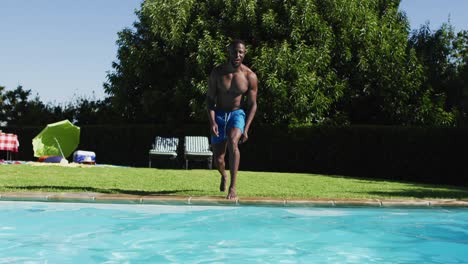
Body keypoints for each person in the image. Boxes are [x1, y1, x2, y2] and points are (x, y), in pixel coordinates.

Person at [206, 39, 258, 200]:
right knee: (218, 159)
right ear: (229, 52)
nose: (237, 55)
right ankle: (223, 175)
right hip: (219, 114)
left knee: (233, 142)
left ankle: (233, 187)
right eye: (234, 51)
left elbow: (253, 105)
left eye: (240, 52)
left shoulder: (250, 76)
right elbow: (209, 100)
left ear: (244, 53)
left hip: (237, 114)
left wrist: (246, 129)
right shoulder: (217, 72)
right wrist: (213, 121)